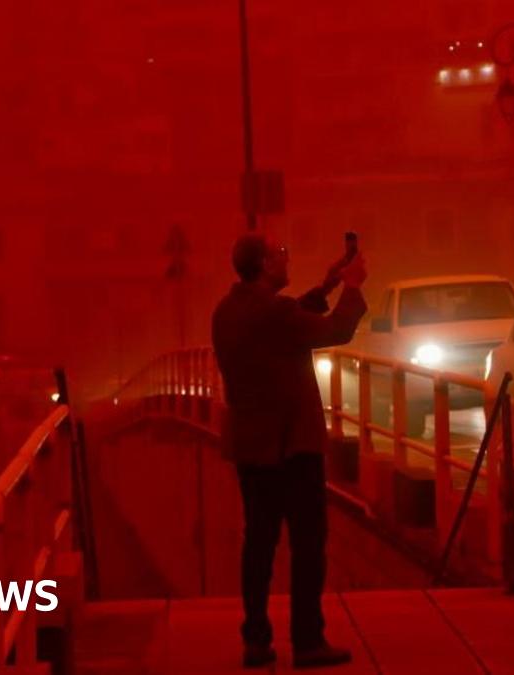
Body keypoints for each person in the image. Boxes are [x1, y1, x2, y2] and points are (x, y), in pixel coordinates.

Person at [211, 232, 367, 669]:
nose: (286, 259)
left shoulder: (227, 311)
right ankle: (308, 640)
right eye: (281, 255)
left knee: (258, 544)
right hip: (292, 448)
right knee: (307, 543)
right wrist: (353, 285)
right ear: (263, 263)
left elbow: (288, 324)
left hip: (251, 447)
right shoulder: (274, 313)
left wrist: (328, 284)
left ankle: (256, 640)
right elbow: (335, 329)